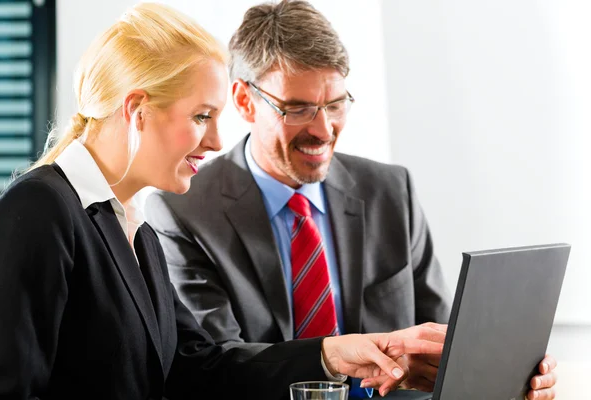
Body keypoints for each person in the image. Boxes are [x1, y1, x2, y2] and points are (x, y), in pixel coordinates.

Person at [0, 3, 448, 399]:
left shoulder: (131, 226)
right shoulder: (39, 210)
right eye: (201, 117)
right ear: (137, 110)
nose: (214, 141)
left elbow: (198, 370)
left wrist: (331, 354)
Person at [145, 1, 558, 399]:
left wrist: (507, 377)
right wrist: (331, 360)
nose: (324, 130)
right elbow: (215, 368)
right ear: (243, 101)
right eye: (299, 108)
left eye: (336, 104)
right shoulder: (183, 210)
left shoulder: (391, 190)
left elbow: (442, 341)